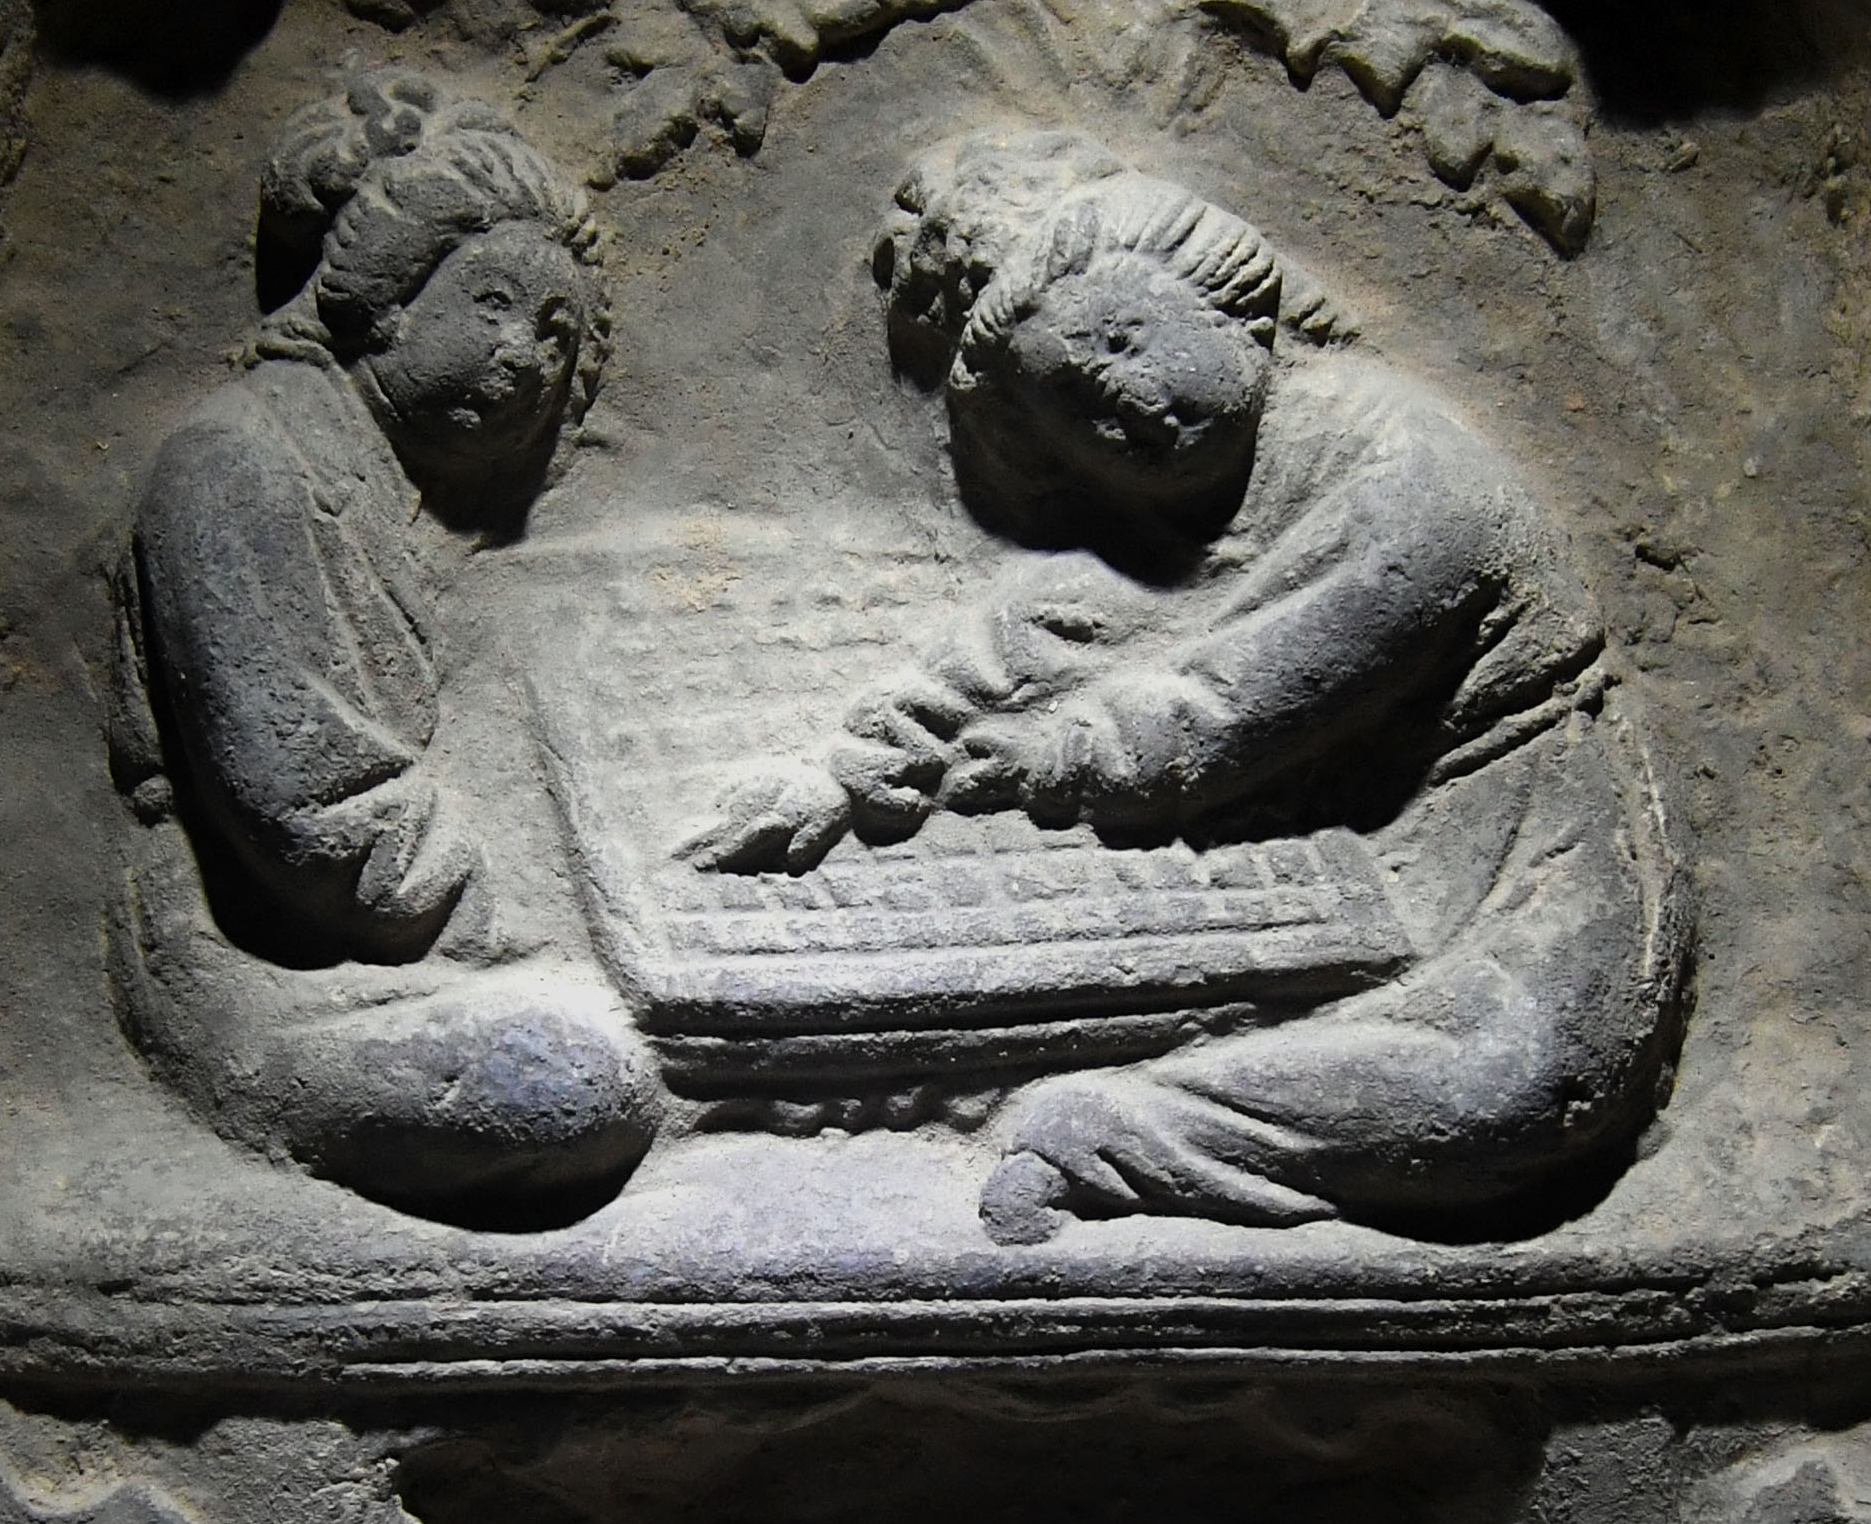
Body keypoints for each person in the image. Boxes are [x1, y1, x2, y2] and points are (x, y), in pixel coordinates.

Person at [685, 130, 1685, 1242]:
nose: (1127, 398)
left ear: (1222, 295)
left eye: (1124, 338)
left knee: (1523, 1080)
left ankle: (1112, 1132)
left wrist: (1022, 759)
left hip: (1530, 863)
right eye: (1075, 403)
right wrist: (848, 768)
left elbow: (1223, 710)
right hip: (1338, 864)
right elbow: (1058, 625)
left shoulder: (1414, 475)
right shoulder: (1203, 505)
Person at [107, 73, 662, 1223]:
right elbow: (313, 816)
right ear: (390, 296)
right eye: (493, 301)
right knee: (577, 1084)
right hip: (260, 970)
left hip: (379, 953)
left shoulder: (369, 486)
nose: (525, 355)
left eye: (556, 334)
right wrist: (537, 907)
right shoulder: (240, 465)